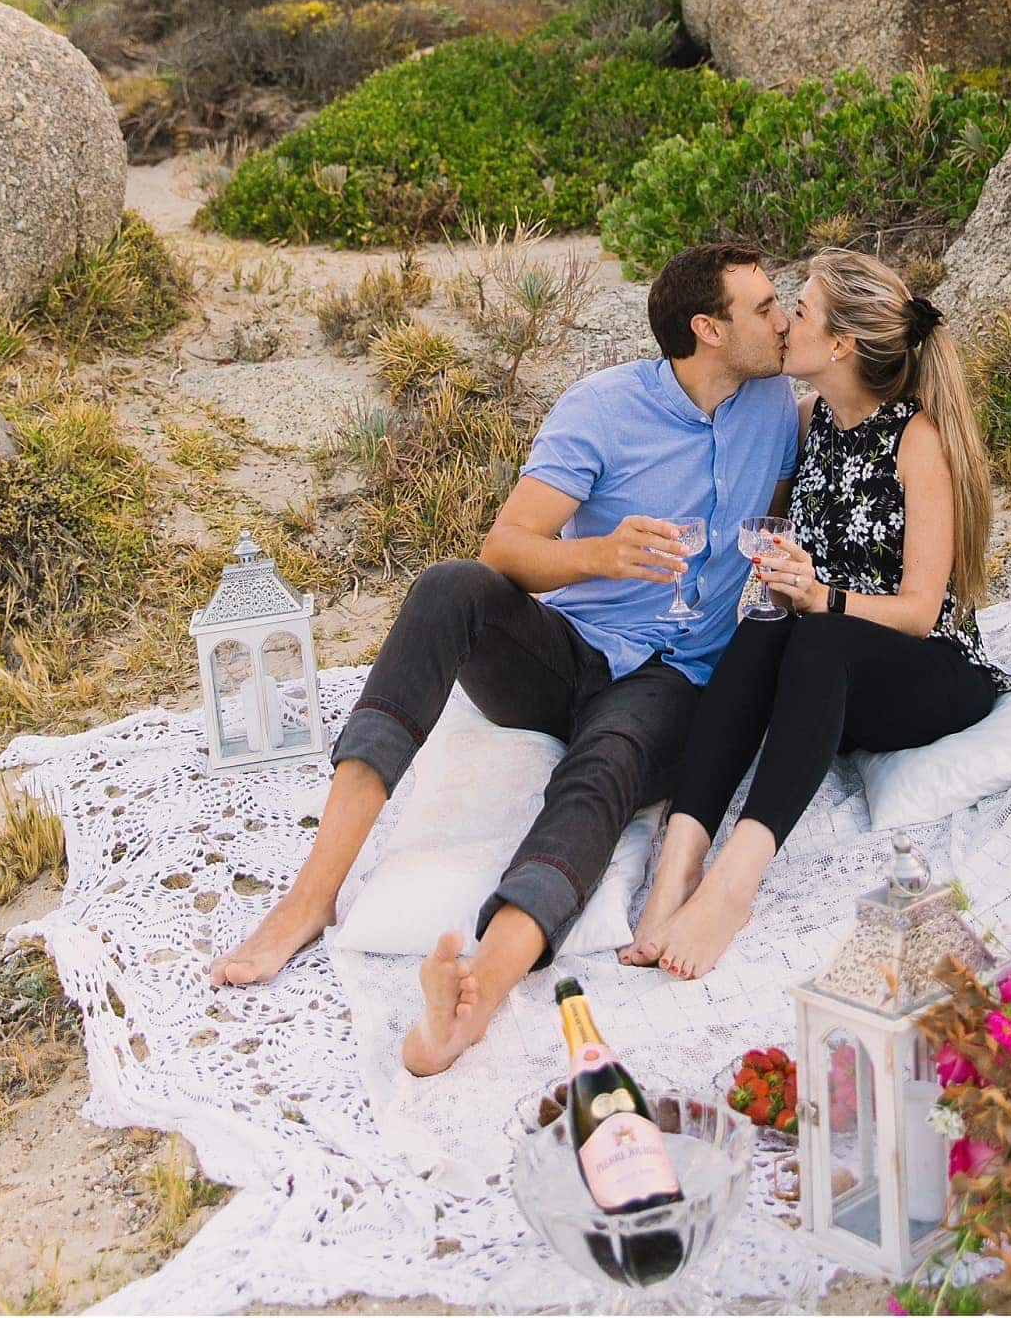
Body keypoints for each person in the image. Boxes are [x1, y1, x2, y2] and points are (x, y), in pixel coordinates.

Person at [209, 240, 798, 1075]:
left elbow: (776, 515)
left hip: (678, 674)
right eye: (765, 306)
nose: (783, 319)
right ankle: (310, 899)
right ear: (708, 328)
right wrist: (600, 556)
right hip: (567, 650)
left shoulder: (775, 404)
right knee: (450, 585)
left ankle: (479, 986)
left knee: (606, 770)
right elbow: (508, 546)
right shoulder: (603, 409)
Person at [621, 247, 1011, 981]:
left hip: (928, 673)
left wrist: (823, 597)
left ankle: (735, 883)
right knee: (767, 628)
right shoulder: (808, 423)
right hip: (826, 676)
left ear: (838, 345)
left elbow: (923, 613)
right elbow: (766, 541)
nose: (783, 322)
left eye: (798, 310)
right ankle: (678, 863)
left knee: (817, 632)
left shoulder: (917, 441)